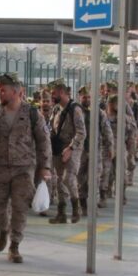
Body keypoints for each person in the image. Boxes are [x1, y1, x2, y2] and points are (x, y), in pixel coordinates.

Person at [0, 73, 52, 263]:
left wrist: (45, 167)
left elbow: (44, 142)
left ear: (17, 92)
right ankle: (3, 229)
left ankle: (15, 245)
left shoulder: (33, 114)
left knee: (20, 207)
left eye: (3, 90)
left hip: (24, 169)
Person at [48, 79, 86, 224]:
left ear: (62, 92)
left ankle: (76, 209)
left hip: (73, 147)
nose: (52, 96)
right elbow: (52, 128)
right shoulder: (56, 109)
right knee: (59, 180)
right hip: (58, 147)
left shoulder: (74, 109)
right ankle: (61, 213)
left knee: (68, 178)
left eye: (54, 93)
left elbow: (82, 132)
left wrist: (71, 148)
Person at [76, 86, 113, 214]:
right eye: (84, 97)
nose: (87, 99)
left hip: (95, 151)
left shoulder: (99, 113)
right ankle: (83, 205)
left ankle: (93, 206)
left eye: (89, 97)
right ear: (79, 97)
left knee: (95, 180)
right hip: (79, 152)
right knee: (80, 180)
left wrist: (110, 147)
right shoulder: (76, 112)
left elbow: (107, 131)